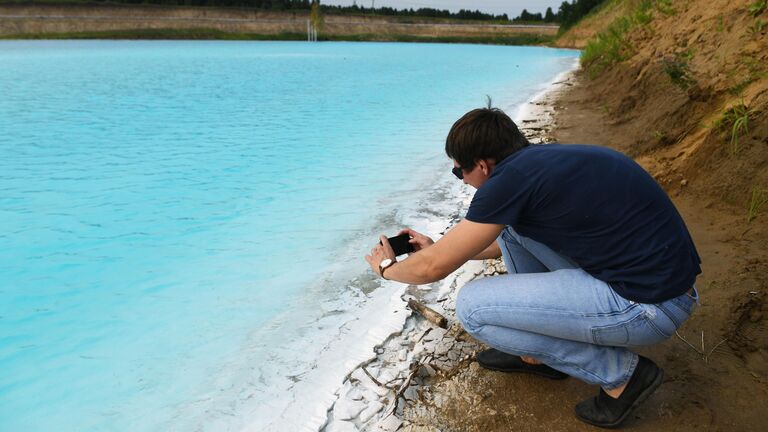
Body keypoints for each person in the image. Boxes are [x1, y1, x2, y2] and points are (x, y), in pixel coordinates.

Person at [364, 106, 701, 428]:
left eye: (458, 171)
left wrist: (386, 269)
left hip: (646, 307)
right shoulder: (542, 162)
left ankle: (622, 376)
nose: (461, 180)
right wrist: (440, 249)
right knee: (512, 228)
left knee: (472, 308)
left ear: (482, 165)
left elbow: (430, 270)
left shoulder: (506, 184)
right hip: (667, 287)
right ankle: (537, 355)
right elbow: (495, 243)